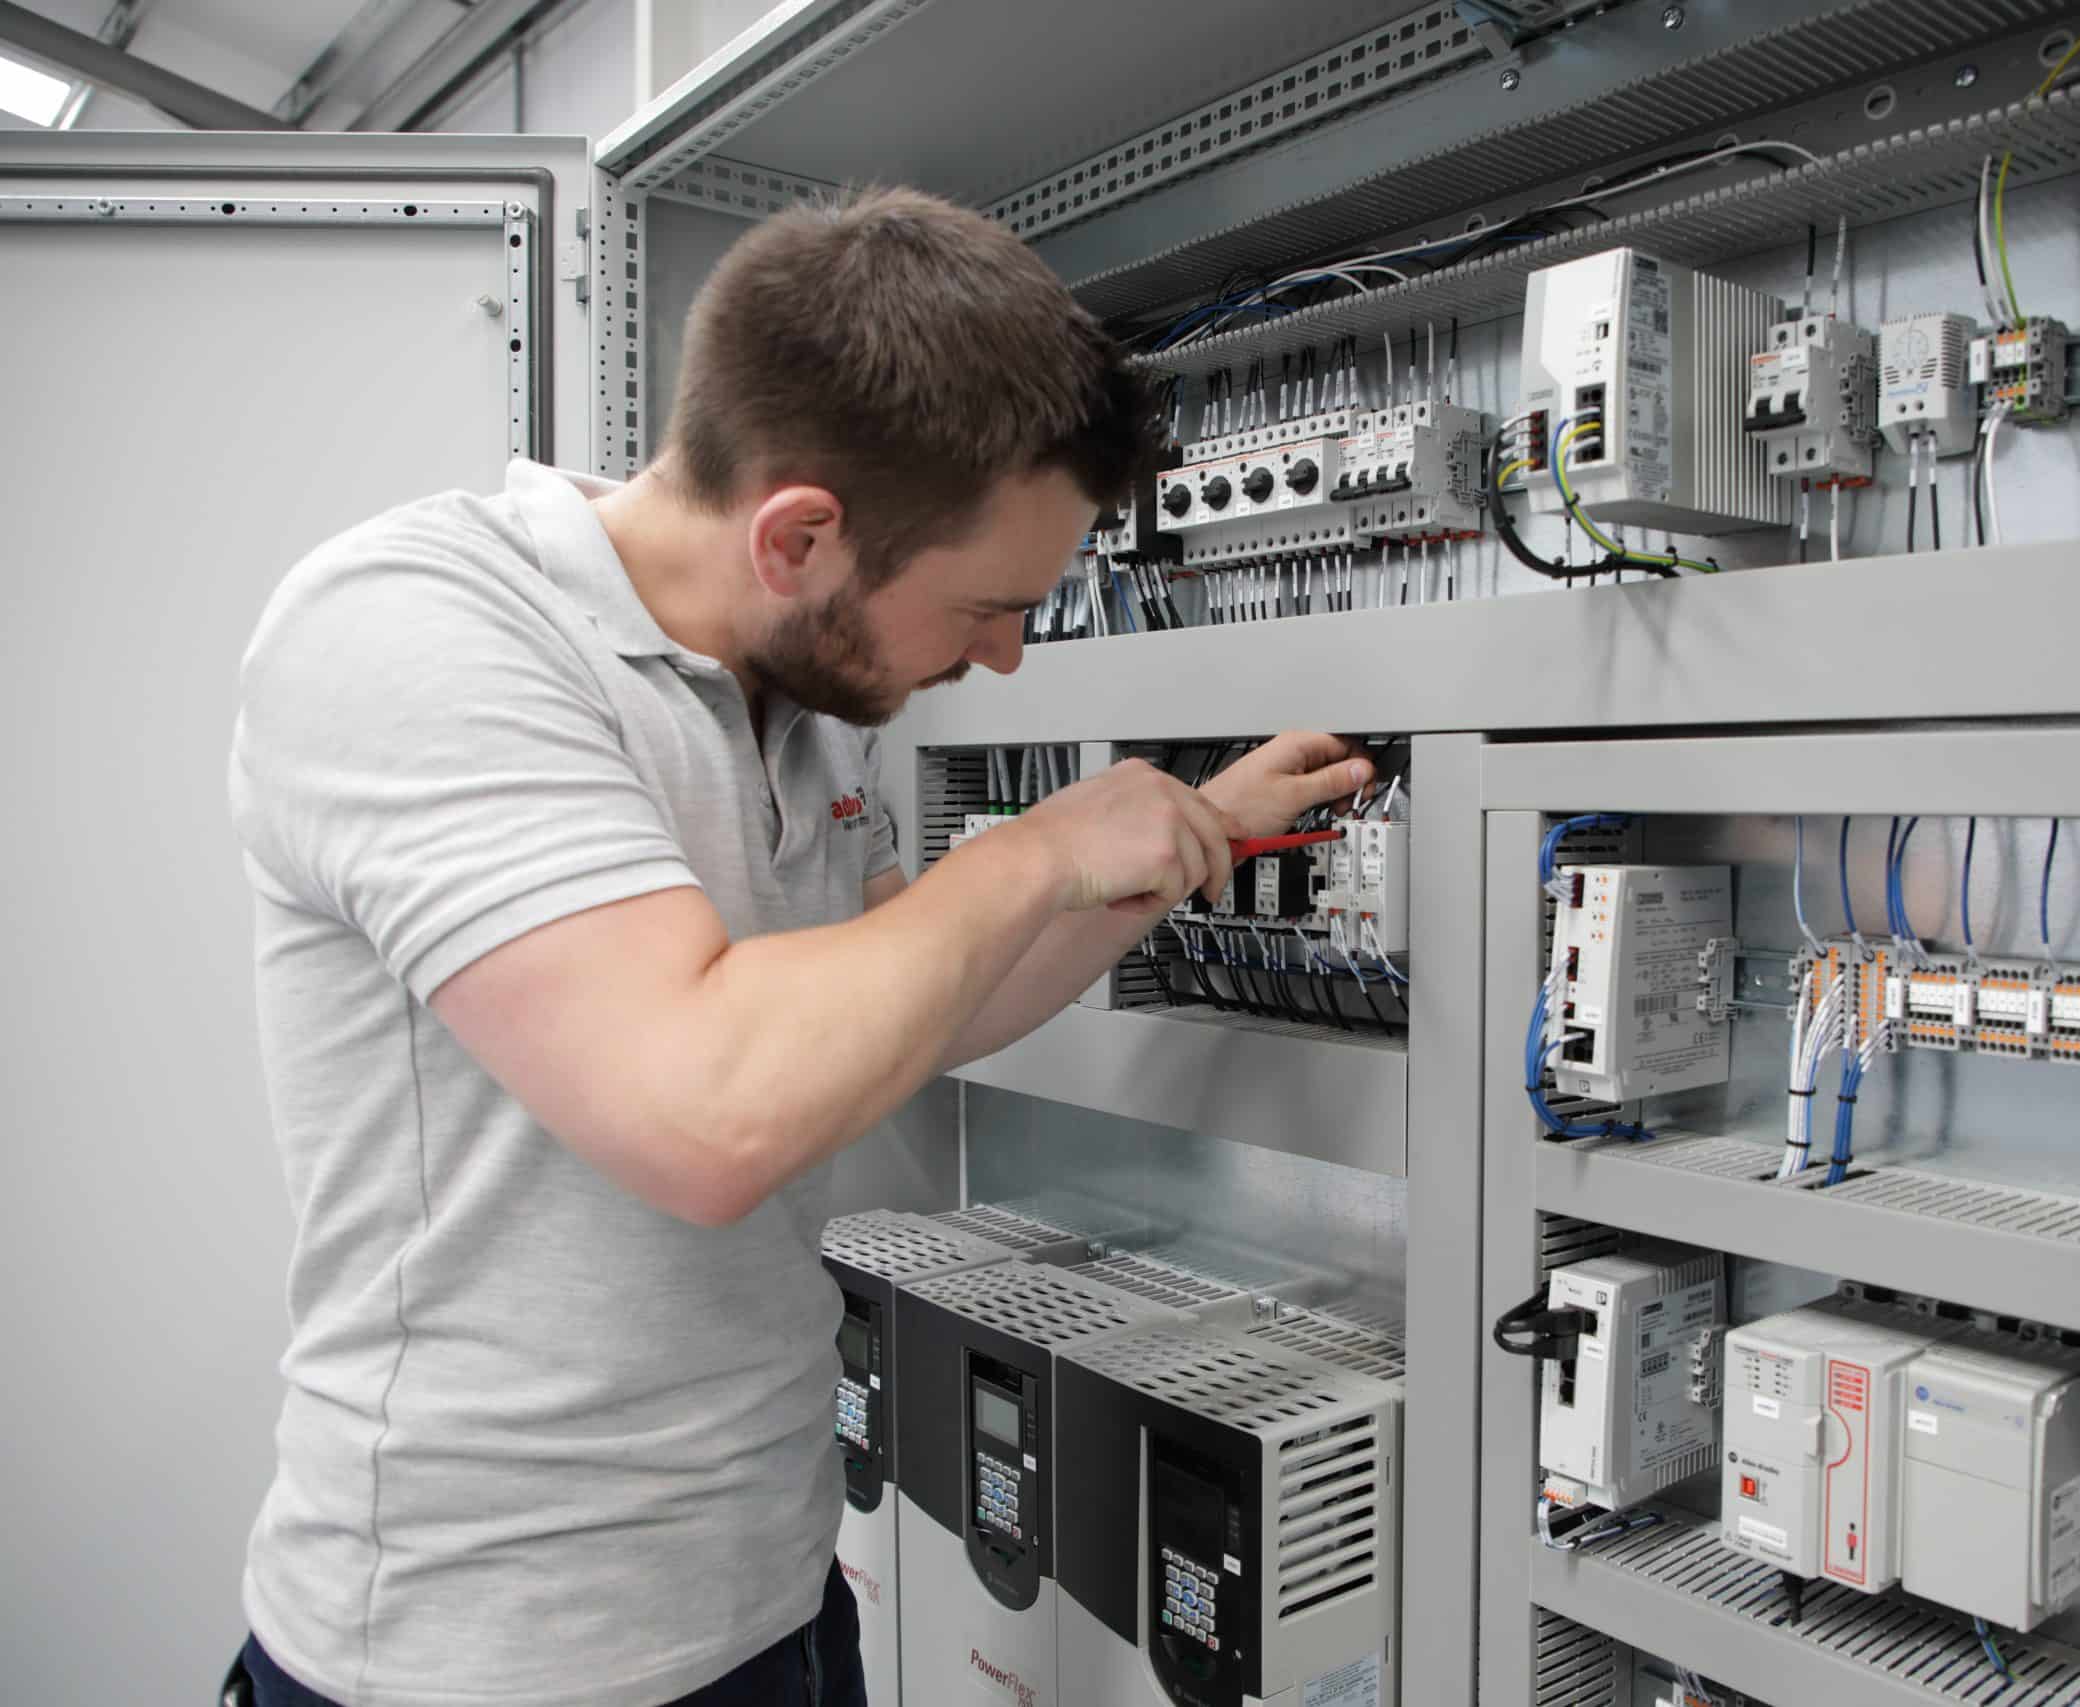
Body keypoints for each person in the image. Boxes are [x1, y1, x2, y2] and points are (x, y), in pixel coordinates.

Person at [220, 186, 1368, 1707]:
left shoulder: (795, 694)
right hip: (484, 1654)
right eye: (989, 604)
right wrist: (1035, 848)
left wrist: (1177, 842)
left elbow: (918, 1001)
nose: (1008, 654)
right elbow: (704, 1112)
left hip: (767, 1594)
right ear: (800, 534)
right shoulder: (421, 630)